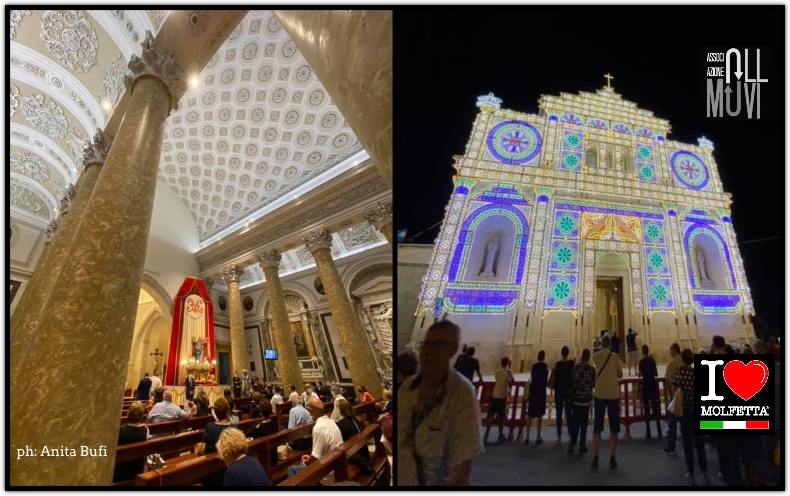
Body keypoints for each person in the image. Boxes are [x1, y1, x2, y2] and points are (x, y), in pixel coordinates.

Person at [398, 320, 484, 486]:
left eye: (437, 344)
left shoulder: (461, 393)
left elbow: (463, 463)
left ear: (452, 349)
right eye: (426, 344)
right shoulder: (407, 388)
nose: (428, 351)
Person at [673, 349, 708, 484]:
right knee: (699, 443)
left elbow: (674, 384)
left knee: (687, 443)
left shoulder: (680, 371)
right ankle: (704, 472)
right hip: (696, 410)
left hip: (685, 411)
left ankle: (691, 473)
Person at [287, 396, 344, 478]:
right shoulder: (331, 422)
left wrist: (306, 462)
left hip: (327, 471)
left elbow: (315, 459)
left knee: (291, 469)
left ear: (311, 410)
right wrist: (310, 457)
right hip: (337, 463)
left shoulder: (318, 428)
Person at [591, 335, 623, 470]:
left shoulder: (596, 357)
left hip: (599, 394)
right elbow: (620, 374)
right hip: (612, 394)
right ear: (610, 344)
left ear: (600, 344)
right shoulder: (615, 357)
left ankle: (596, 457)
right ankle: (612, 457)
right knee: (614, 428)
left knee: (597, 427)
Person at [113, 402, 149, 483]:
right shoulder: (145, 430)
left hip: (120, 470)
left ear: (128, 414)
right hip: (137, 469)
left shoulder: (121, 430)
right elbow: (145, 453)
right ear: (141, 415)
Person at [568, 348, 595, 455]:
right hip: (586, 399)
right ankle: (582, 445)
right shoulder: (591, 369)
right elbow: (593, 383)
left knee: (575, 422)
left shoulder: (576, 367)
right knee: (584, 423)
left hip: (577, 399)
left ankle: (572, 443)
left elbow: (573, 381)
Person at [335, 398, 372, 471]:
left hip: (355, 454)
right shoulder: (355, 419)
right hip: (364, 451)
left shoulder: (341, 423)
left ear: (341, 411)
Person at [484, 356, 514, 444]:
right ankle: (500, 434)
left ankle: (487, 433)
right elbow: (512, 381)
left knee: (492, 415)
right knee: (501, 416)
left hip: (495, 394)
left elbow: (497, 379)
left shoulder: (497, 371)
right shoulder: (508, 371)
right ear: (507, 363)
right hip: (502, 395)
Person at [549, 346, 575, 445]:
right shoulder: (571, 363)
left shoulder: (558, 364)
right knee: (569, 413)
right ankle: (570, 434)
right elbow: (573, 376)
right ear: (568, 353)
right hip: (568, 391)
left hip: (559, 391)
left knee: (559, 413)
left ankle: (559, 436)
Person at [525, 350, 548, 445]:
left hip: (533, 391)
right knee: (539, 414)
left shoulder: (534, 366)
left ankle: (527, 436)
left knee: (530, 414)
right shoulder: (545, 366)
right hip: (541, 391)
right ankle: (538, 436)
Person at [638, 344, 661, 439]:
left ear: (642, 352)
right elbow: (656, 373)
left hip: (645, 387)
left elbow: (640, 374)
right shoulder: (652, 360)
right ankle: (659, 430)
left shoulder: (642, 362)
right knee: (655, 409)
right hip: (653, 386)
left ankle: (648, 431)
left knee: (646, 409)